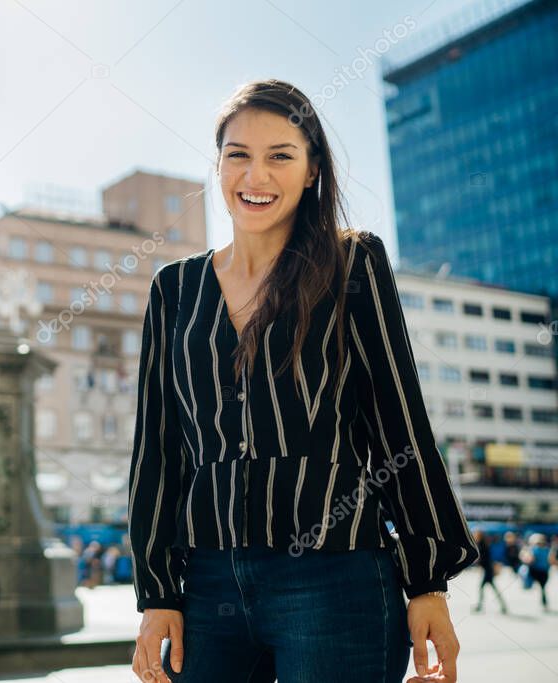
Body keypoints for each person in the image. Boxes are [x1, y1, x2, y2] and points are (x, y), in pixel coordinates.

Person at [128, 79, 480, 683]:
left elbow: (400, 421)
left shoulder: (353, 265)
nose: (254, 175)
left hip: (335, 580)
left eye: (280, 156)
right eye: (237, 154)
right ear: (219, 165)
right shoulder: (173, 290)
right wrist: (157, 592)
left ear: (313, 169)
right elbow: (157, 449)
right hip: (208, 586)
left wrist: (428, 582)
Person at [472, 529, 507, 614]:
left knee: (483, 588)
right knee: (490, 588)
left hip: (488, 570)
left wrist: (478, 562)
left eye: (476, 535)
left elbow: (484, 558)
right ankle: (503, 606)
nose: (474, 536)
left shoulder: (482, 545)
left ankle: (480, 606)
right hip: (488, 570)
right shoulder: (483, 544)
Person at [520, 533, 553, 611]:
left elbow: (530, 560)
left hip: (536, 571)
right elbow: (551, 560)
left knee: (523, 572)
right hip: (544, 573)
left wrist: (523, 558)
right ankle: (544, 603)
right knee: (543, 588)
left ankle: (527, 585)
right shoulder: (547, 550)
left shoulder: (534, 549)